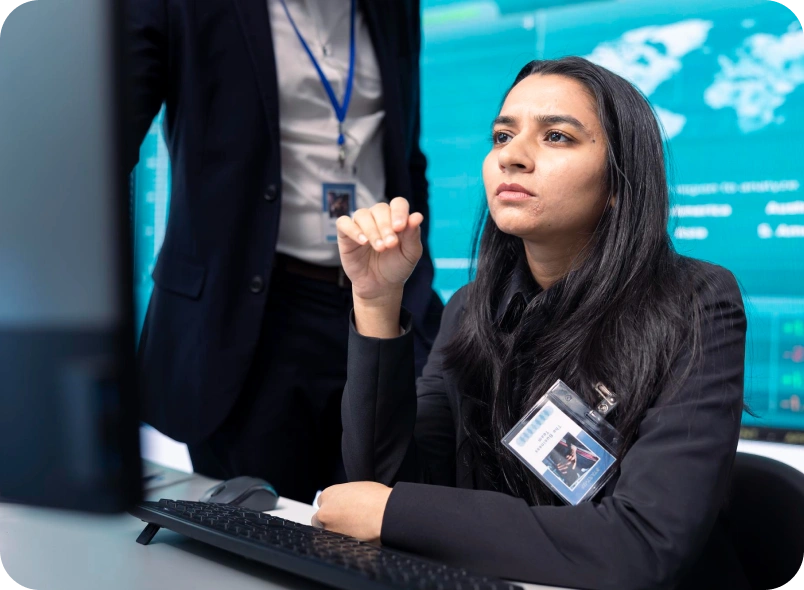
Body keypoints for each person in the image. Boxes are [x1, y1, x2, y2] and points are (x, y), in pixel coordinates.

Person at [313, 57, 750, 590]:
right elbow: (380, 484)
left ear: (619, 181)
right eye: (502, 136)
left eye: (557, 136)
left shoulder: (697, 301)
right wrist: (377, 301)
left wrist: (395, 513)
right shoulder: (472, 309)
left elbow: (643, 544)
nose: (511, 156)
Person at [126, 0, 442, 503]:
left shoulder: (395, 7)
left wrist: (417, 282)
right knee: (261, 527)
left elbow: (404, 152)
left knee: (381, 513)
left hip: (379, 300)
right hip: (250, 318)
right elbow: (100, 136)